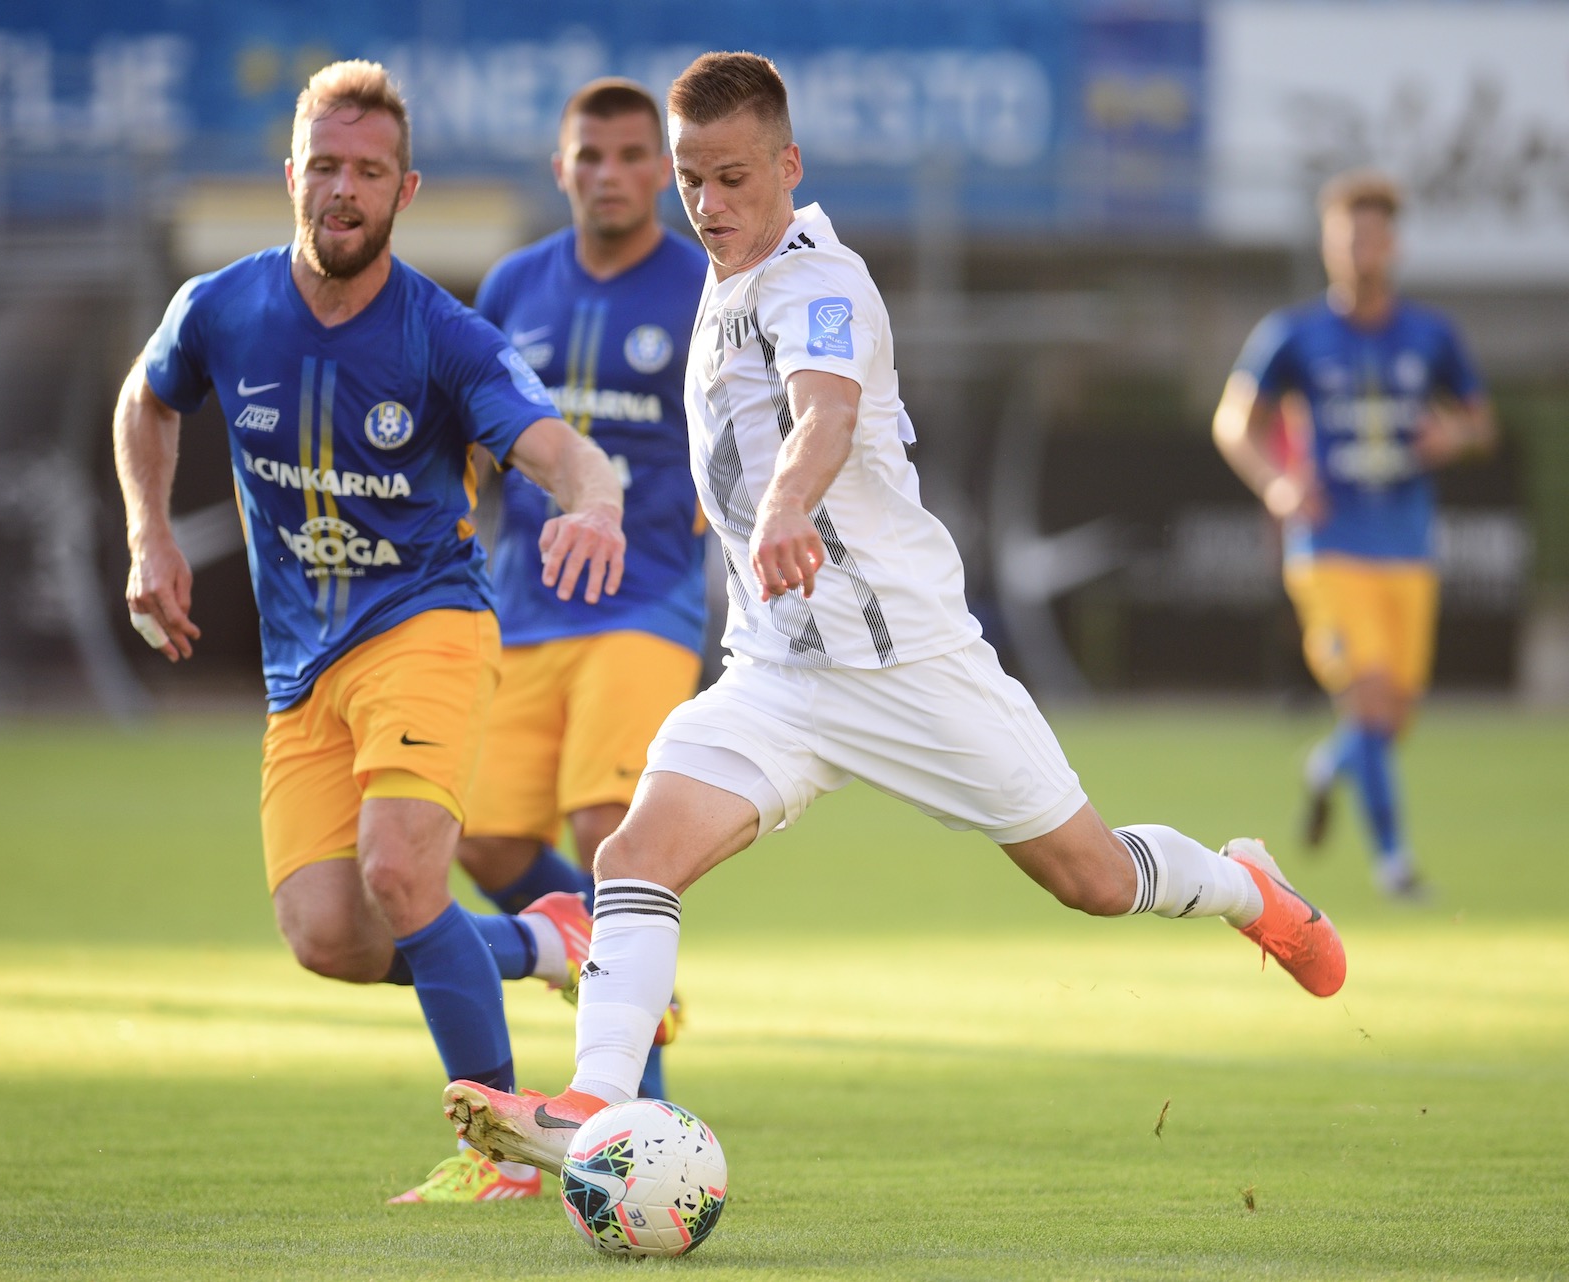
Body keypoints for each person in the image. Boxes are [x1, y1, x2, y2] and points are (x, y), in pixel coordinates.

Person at [441, 52, 1347, 1174]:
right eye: (692, 180)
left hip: (907, 664)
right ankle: (592, 1103)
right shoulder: (723, 280)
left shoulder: (821, 282)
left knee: (1094, 880)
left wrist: (785, 507)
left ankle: (1248, 885)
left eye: (733, 177)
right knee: (633, 854)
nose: (709, 204)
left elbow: (824, 412)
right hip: (777, 671)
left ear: (790, 165)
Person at [112, 61, 626, 1203]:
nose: (345, 190)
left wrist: (594, 503)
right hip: (302, 667)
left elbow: (558, 447)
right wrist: (149, 535)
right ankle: (547, 940)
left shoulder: (444, 335)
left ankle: (505, 1153)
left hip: (426, 625)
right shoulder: (221, 306)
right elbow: (145, 399)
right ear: (291, 174)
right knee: (328, 937)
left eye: (370, 172)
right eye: (326, 166)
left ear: (406, 190)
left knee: (401, 871)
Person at [456, 78, 708, 1111]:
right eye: (589, 156)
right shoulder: (514, 284)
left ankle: (630, 1114)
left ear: (664, 171)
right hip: (522, 607)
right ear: (559, 167)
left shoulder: (704, 286)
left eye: (632, 155)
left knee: (612, 830)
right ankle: (620, 960)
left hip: (649, 599)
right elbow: (470, 432)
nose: (610, 174)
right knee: (485, 841)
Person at [1212, 171, 1494, 900]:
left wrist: (1455, 435)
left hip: (1408, 547)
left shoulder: (1432, 334)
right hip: (1329, 547)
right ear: (1327, 246)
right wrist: (1277, 482)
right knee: (1367, 697)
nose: (1361, 250)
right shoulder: (1293, 333)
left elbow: (1481, 422)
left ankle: (1327, 766)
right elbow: (1233, 423)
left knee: (1391, 721)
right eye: (1347, 237)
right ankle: (1395, 865)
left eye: (1373, 236)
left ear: (1394, 245)